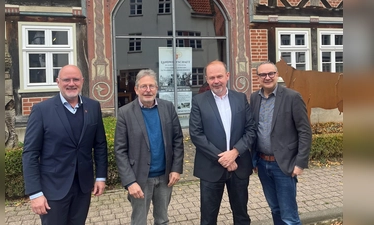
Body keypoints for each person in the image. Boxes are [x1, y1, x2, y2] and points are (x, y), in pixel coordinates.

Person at [22, 65, 108, 225]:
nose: (71, 83)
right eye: (66, 80)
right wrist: (35, 193)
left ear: (82, 81)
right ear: (58, 82)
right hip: (52, 189)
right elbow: (30, 153)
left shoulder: (93, 107)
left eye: (76, 79)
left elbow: (100, 145)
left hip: (83, 187)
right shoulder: (41, 110)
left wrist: (101, 177)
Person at [189, 60, 256, 225]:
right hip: (211, 168)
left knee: (241, 216)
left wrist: (234, 153)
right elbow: (196, 134)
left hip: (239, 166)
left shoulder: (240, 98)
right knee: (208, 219)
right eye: (212, 78)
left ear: (227, 76)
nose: (216, 81)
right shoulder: (199, 101)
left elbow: (251, 130)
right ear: (207, 79)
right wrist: (223, 159)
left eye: (219, 76)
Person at [114, 69, 184, 225]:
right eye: (143, 86)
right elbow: (120, 150)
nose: (148, 90)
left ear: (157, 88)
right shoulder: (125, 113)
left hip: (165, 177)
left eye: (151, 86)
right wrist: (129, 181)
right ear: (136, 89)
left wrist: (176, 168)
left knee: (162, 219)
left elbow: (177, 140)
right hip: (139, 179)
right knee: (139, 221)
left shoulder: (168, 108)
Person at [250, 61, 312, 225]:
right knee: (275, 209)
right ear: (258, 78)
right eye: (263, 74)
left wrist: (300, 163)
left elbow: (304, 131)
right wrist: (254, 159)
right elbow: (254, 130)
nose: (267, 77)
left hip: (284, 165)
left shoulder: (292, 97)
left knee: (289, 215)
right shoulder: (254, 98)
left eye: (271, 73)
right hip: (263, 164)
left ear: (277, 75)